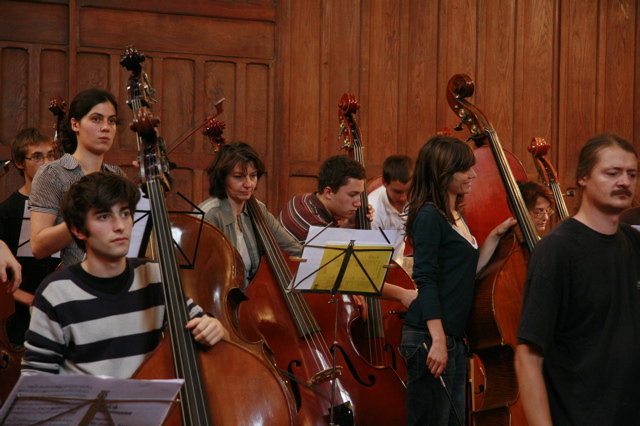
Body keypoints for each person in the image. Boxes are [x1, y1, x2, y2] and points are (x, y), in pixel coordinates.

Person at [21, 172, 228, 377]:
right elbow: (36, 384)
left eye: (125, 213)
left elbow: (210, 331)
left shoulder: (154, 276)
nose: (120, 226)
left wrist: (215, 328)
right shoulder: (55, 293)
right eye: (104, 216)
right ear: (78, 230)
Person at [515, 134, 640, 425]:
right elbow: (528, 357)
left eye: (631, 174)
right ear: (583, 177)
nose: (624, 181)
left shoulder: (634, 243)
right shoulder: (557, 250)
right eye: (612, 173)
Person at [400, 135, 516, 426]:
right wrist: (438, 340)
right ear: (443, 172)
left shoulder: (454, 215)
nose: (472, 175)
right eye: (465, 169)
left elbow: (464, 274)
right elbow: (425, 280)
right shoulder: (429, 215)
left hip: (451, 338)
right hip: (429, 336)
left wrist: (493, 238)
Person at [279, 154, 418, 308]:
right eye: (352, 195)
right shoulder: (314, 224)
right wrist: (402, 295)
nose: (359, 202)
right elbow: (349, 277)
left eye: (360, 194)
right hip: (290, 302)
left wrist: (350, 224)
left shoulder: (302, 200)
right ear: (328, 192)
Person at [29, 88, 127, 267]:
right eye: (96, 119)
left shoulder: (117, 176)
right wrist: (86, 217)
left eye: (111, 121)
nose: (106, 127)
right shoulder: (52, 174)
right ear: (75, 124)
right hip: (76, 285)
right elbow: (38, 246)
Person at [198, 142, 302, 284]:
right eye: (239, 177)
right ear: (223, 179)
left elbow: (293, 249)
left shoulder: (259, 210)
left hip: (252, 298)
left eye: (253, 176)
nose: (248, 184)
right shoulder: (208, 216)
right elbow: (200, 273)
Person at [0, 128, 60, 347]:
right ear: (19, 162)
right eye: (37, 157)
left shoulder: (66, 207)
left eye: (51, 155)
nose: (47, 163)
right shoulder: (7, 211)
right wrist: (30, 299)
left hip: (60, 313)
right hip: (19, 318)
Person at [368, 155, 413, 263]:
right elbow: (372, 254)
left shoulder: (415, 196)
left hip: (398, 266)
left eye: (408, 190)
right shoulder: (373, 210)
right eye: (397, 192)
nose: (403, 198)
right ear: (384, 182)